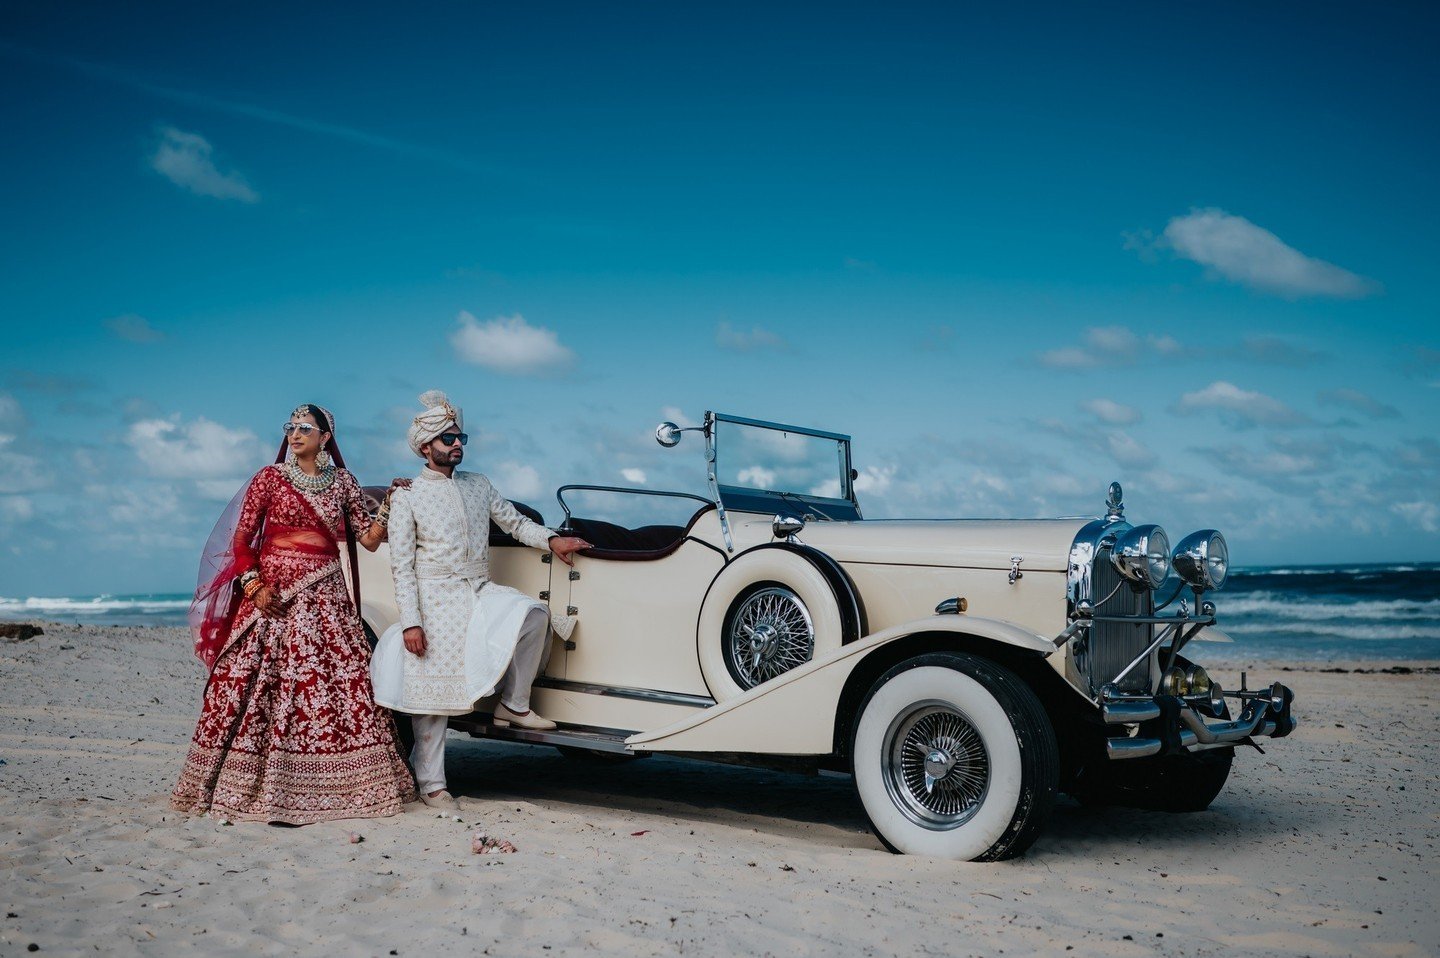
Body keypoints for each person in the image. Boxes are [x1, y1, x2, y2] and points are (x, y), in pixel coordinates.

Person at [171, 404, 417, 824]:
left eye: (306, 427)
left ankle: (341, 787)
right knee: (252, 688)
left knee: (330, 688)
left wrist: (391, 502)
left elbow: (369, 540)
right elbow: (243, 541)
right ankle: (238, 784)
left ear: (325, 437)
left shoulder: (342, 482)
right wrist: (254, 587)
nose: (295, 433)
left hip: (327, 601)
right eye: (291, 427)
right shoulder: (270, 478)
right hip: (273, 602)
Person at [372, 390, 590, 812]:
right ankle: (432, 783)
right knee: (432, 695)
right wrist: (412, 621)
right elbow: (401, 566)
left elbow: (515, 523)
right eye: (448, 439)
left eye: (461, 438)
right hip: (433, 599)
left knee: (533, 614)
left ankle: (514, 704)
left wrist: (552, 539)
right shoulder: (408, 495)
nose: (457, 445)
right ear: (425, 447)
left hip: (478, 589)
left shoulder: (479, 485)